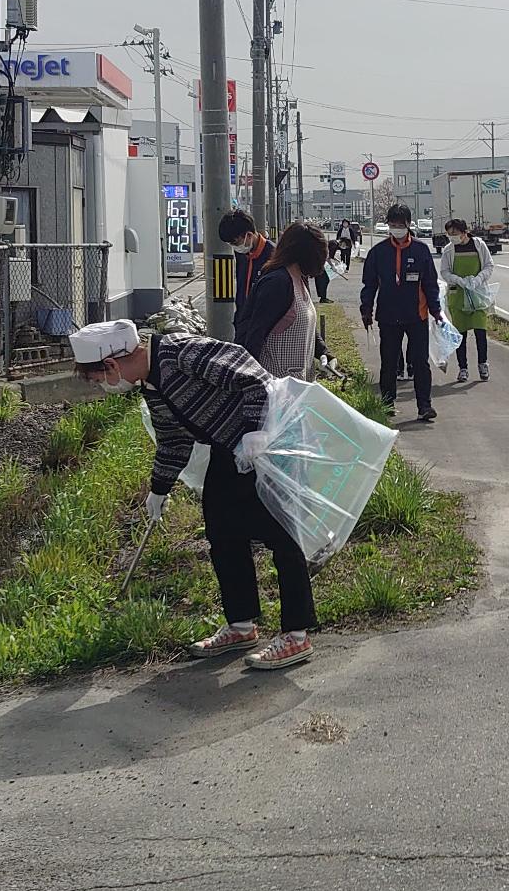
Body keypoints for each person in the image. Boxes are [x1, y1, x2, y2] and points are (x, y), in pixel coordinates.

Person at [70, 318, 315, 670]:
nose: (103, 386)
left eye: (99, 380)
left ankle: (296, 635)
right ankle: (241, 625)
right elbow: (174, 440)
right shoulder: (151, 386)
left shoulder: (181, 353)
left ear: (110, 364)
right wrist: (159, 489)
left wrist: (253, 432)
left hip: (268, 440)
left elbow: (252, 380)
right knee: (222, 530)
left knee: (281, 533)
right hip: (229, 450)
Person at [359, 202, 442, 422]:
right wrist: (366, 308)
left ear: (408, 225)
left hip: (417, 315)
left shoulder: (421, 250)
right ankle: (387, 404)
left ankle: (424, 405)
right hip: (387, 315)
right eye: (392, 224)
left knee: (420, 362)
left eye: (400, 224)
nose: (396, 228)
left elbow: (431, 284)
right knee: (388, 361)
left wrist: (436, 310)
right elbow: (369, 284)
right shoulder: (378, 252)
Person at [235, 222, 329, 380]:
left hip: (296, 386)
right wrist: (249, 382)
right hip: (275, 387)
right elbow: (253, 336)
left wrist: (323, 352)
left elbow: (304, 325)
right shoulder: (277, 283)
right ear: (308, 255)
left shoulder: (299, 278)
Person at [438, 217, 494, 385]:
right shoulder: (449, 250)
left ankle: (483, 364)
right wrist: (458, 280)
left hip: (478, 295)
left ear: (464, 232)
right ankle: (463, 368)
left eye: (455, 233)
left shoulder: (479, 245)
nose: (452, 237)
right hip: (458, 297)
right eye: (450, 234)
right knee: (460, 335)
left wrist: (477, 279)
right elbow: (444, 272)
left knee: (480, 331)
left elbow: (488, 266)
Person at [218, 208, 273, 307]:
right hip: (244, 317)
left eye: (235, 242)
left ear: (249, 235)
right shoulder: (242, 254)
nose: (234, 247)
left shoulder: (273, 256)